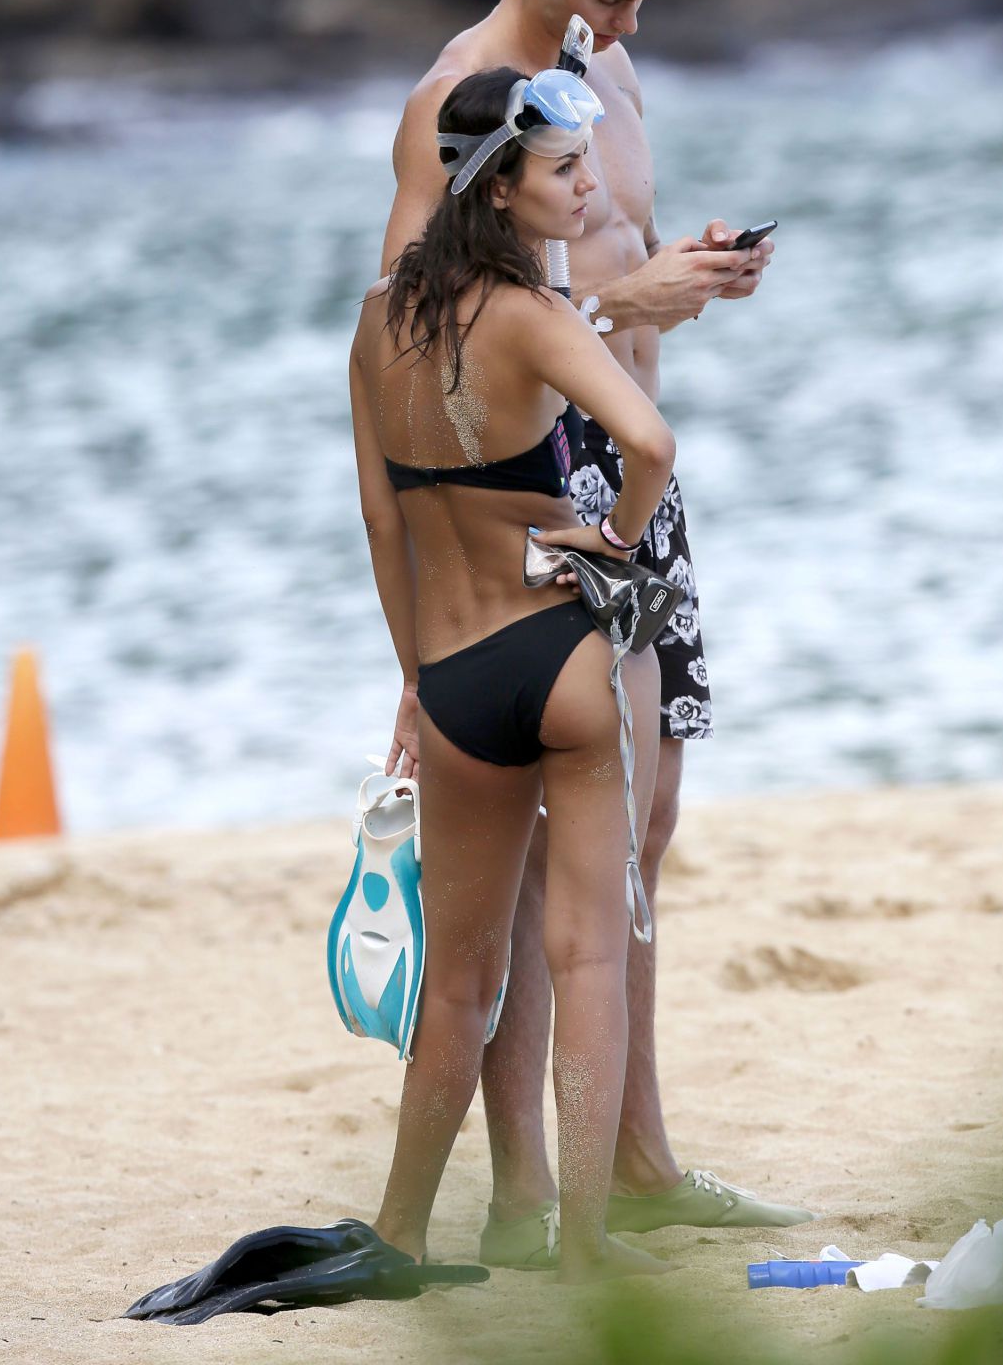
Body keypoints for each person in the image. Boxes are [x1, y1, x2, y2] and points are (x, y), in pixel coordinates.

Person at [378, 0, 811, 1266]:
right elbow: (422, 322)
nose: (623, 29)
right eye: (606, 0)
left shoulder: (606, 76)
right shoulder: (454, 99)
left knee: (641, 826)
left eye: (640, 4)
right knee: (533, 846)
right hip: (539, 488)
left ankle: (633, 1157)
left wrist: (685, 279)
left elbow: (603, 264)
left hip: (637, 481)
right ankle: (522, 1189)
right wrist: (628, 297)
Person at [351, 63, 678, 1281]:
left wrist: (416, 675)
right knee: (584, 953)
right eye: (562, 168)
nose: (587, 186)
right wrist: (614, 540)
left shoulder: (374, 322)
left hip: (453, 673)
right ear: (497, 190)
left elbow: (382, 524)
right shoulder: (534, 317)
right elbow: (648, 441)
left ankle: (398, 1228)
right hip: (559, 657)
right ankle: (584, 1247)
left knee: (457, 977)